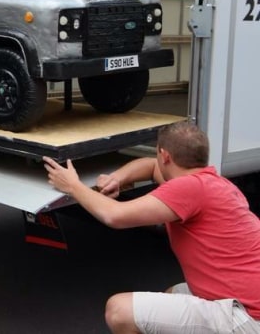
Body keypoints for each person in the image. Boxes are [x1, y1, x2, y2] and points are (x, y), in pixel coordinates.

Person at [44, 121, 260, 334]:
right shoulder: (214, 183)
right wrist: (116, 179)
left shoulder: (188, 188)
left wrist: (72, 185)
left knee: (119, 311)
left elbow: (114, 216)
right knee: (172, 295)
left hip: (248, 318)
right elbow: (150, 166)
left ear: (165, 155)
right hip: (247, 300)